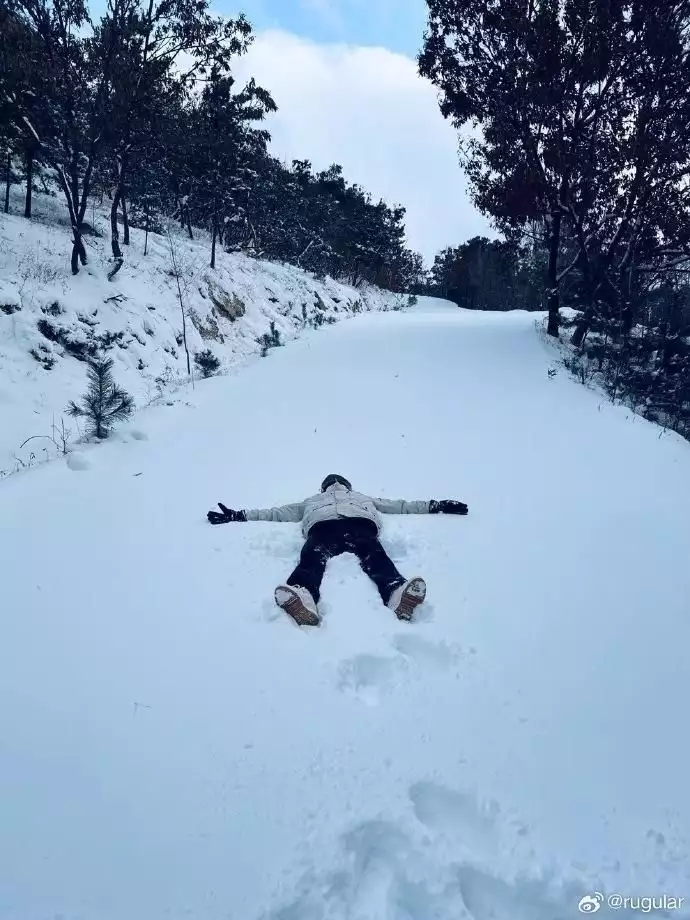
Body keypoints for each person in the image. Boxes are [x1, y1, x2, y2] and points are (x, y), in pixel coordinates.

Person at [207, 473, 468, 626]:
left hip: (344, 526)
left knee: (330, 555)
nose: (334, 485)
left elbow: (400, 505)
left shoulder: (361, 497)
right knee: (339, 555)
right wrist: (239, 515)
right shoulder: (313, 501)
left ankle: (397, 594)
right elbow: (276, 512)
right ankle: (303, 597)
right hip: (336, 527)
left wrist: (437, 505)